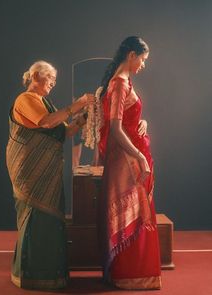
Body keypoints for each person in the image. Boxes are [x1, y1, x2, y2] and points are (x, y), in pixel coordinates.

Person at [6, 60, 94, 290]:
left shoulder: (45, 102)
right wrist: (78, 104)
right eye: (50, 79)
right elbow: (46, 123)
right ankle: (30, 275)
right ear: (36, 76)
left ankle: (49, 274)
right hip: (30, 171)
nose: (53, 83)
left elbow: (64, 131)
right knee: (36, 216)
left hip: (50, 171)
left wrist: (85, 116)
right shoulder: (25, 99)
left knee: (51, 219)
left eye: (55, 80)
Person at [98, 36, 162, 290]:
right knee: (133, 215)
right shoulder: (120, 84)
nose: (144, 65)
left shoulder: (123, 82)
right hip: (127, 160)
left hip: (131, 155)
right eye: (143, 60)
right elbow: (114, 128)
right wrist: (138, 155)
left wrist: (141, 123)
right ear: (131, 55)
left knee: (137, 214)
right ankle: (130, 273)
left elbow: (125, 120)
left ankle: (133, 273)